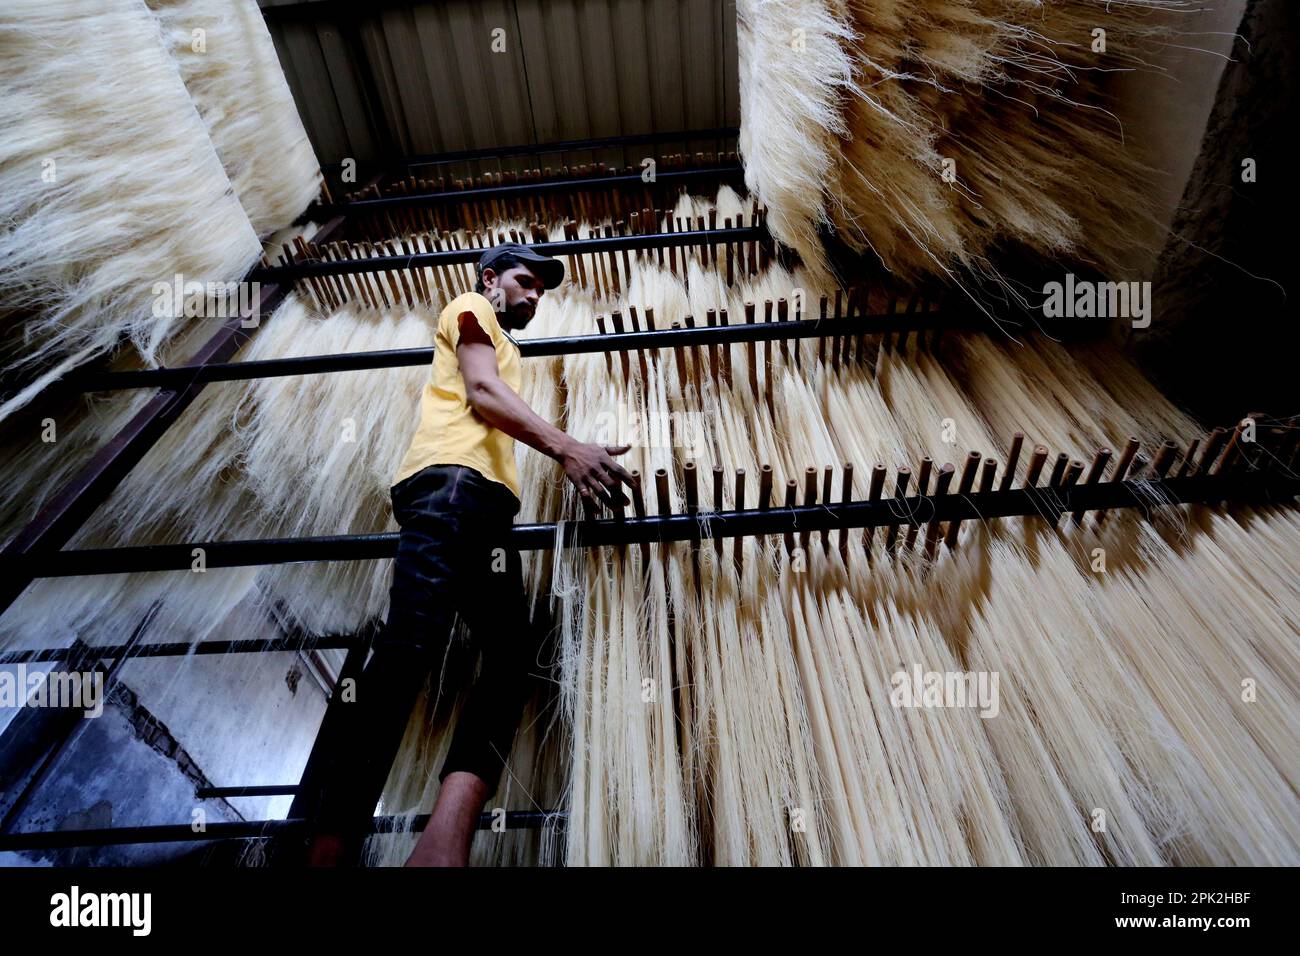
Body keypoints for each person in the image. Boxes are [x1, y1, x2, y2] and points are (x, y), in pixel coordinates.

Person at [305, 242, 636, 867]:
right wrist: (566, 447)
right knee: (409, 649)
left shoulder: (505, 342)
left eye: (542, 287)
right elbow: (482, 392)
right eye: (525, 281)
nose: (535, 294)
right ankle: (329, 850)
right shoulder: (470, 308)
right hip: (451, 487)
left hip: (480, 502)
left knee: (510, 653)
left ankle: (443, 842)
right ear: (491, 278)